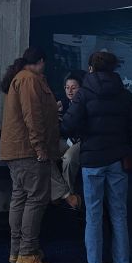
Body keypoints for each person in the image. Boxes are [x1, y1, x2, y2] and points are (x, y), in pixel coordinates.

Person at [61, 50, 132, 263]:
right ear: (114, 69)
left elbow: (68, 124)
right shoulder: (124, 95)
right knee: (119, 212)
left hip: (92, 160)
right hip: (117, 159)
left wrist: (83, 133)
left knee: (93, 214)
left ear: (90, 69)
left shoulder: (84, 94)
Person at [0, 47, 61, 263]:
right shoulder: (28, 80)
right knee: (36, 199)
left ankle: (17, 251)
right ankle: (27, 254)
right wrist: (40, 147)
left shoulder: (21, 78)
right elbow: (32, 116)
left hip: (17, 151)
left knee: (21, 197)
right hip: (28, 152)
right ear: (41, 61)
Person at [50, 70, 85, 209]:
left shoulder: (85, 103)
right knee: (45, 154)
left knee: (69, 159)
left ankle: (68, 195)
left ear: (80, 89)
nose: (69, 91)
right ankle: (64, 194)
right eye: (67, 87)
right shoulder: (62, 103)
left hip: (81, 141)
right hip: (66, 139)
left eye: (74, 87)